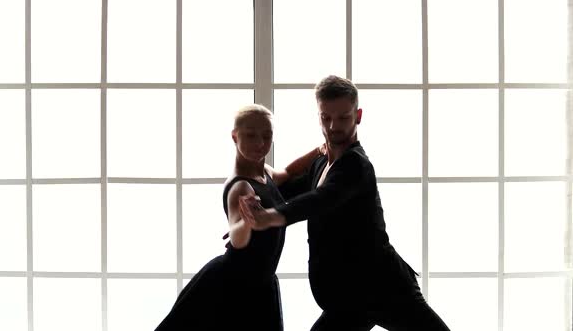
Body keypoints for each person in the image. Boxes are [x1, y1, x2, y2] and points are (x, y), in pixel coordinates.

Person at [239, 76, 451, 331]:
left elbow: (318, 200)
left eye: (343, 118)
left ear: (358, 115)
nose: (333, 126)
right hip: (349, 299)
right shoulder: (321, 163)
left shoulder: (356, 165)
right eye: (326, 118)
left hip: (384, 288)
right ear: (318, 117)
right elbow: (283, 192)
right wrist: (246, 218)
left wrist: (267, 217)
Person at [154, 104, 324, 331]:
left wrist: (319, 150)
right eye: (251, 135)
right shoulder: (241, 187)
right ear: (235, 137)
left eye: (267, 135)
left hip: (261, 284)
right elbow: (237, 238)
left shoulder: (264, 172)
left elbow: (288, 173)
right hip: (234, 286)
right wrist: (246, 221)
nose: (260, 143)